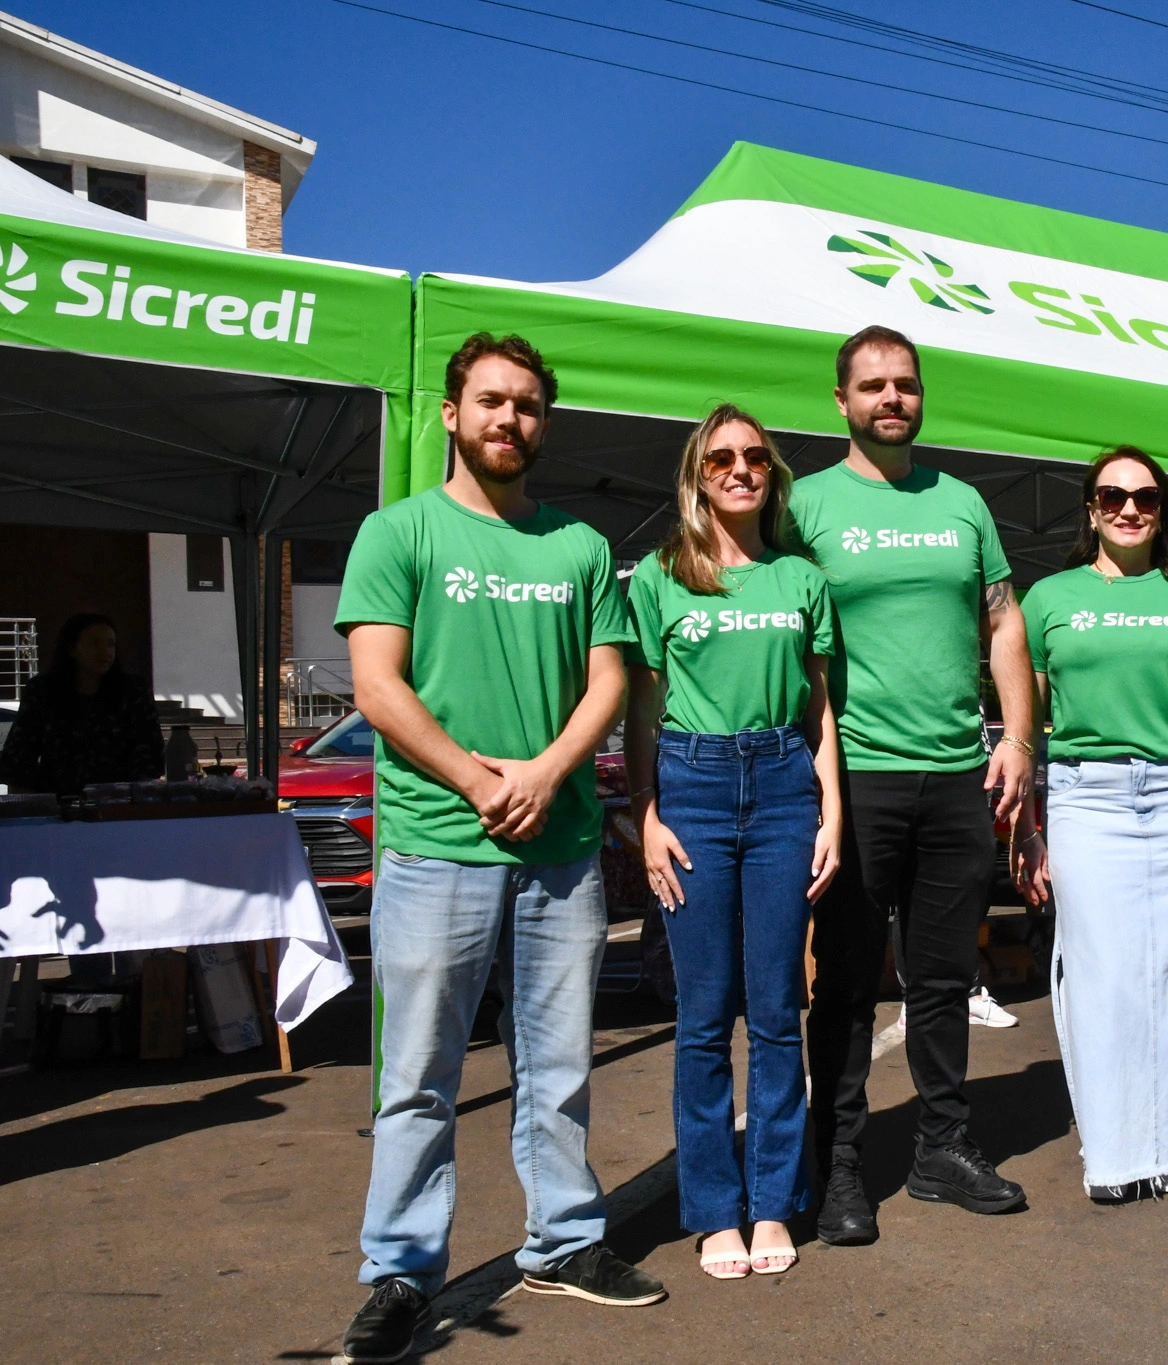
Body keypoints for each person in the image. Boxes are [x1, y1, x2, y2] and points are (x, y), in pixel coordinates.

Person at [335, 334, 663, 1364]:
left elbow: (608, 681)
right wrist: (482, 780)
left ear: (542, 423)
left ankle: (563, 1241)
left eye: (525, 406)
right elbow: (377, 689)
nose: (507, 421)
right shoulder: (398, 533)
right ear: (450, 412)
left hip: (557, 850)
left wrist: (544, 772)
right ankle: (400, 1269)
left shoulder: (574, 546)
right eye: (489, 402)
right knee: (419, 1073)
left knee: (558, 1064)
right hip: (438, 847)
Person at [792, 326, 1032, 1243]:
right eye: (872, 386)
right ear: (842, 401)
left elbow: (1002, 623)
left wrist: (1016, 737)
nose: (891, 398)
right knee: (848, 982)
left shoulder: (964, 501)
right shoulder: (804, 505)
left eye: (905, 384)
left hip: (953, 775)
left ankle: (942, 1148)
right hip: (854, 780)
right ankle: (839, 1163)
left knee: (941, 975)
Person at [623, 404, 842, 1281]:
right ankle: (716, 1210)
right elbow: (641, 706)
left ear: (772, 473)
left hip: (787, 784)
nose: (741, 467)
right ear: (698, 473)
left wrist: (832, 810)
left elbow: (822, 704)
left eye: (755, 456)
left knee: (779, 1010)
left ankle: (775, 1201)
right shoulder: (660, 576)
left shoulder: (802, 579)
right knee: (705, 1016)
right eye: (723, 457)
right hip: (694, 789)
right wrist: (645, 812)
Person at [1017, 446, 1168, 1198]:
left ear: (1163, 511)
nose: (1129, 508)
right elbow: (1024, 720)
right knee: (1104, 977)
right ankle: (1120, 1154)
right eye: (1113, 495)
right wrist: (1027, 827)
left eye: (1146, 497)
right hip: (1088, 798)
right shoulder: (1048, 599)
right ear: (1090, 508)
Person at [0, 612, 163, 796]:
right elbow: (19, 758)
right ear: (72, 648)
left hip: (120, 805)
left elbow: (150, 754)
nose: (105, 652)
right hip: (58, 805)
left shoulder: (134, 691)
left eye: (111, 644)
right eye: (94, 643)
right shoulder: (43, 691)